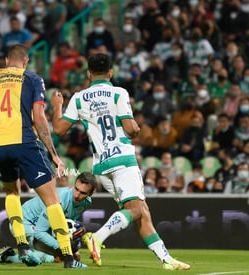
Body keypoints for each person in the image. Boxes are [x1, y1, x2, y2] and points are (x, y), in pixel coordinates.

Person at [51, 53, 190, 270]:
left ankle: (166, 259)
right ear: (111, 72)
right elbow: (130, 128)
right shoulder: (118, 93)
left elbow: (59, 130)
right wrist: (135, 128)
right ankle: (97, 237)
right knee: (135, 210)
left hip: (100, 166)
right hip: (123, 159)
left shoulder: (78, 98)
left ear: (88, 74)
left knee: (141, 211)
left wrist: (57, 105)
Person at [0, 44, 85, 268]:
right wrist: (53, 153)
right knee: (52, 199)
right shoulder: (32, 79)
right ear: (25, 62)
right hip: (25, 142)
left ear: (6, 60)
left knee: (12, 192)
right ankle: (68, 257)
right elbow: (40, 118)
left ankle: (22, 245)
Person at [0, 172, 96, 264]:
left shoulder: (86, 203)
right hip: (24, 222)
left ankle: (10, 255)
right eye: (76, 189)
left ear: (90, 194)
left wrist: (74, 250)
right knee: (52, 255)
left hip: (41, 225)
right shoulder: (59, 200)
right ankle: (7, 257)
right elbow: (39, 232)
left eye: (83, 193)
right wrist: (65, 248)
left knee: (59, 258)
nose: (77, 195)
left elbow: (66, 225)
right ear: (74, 185)